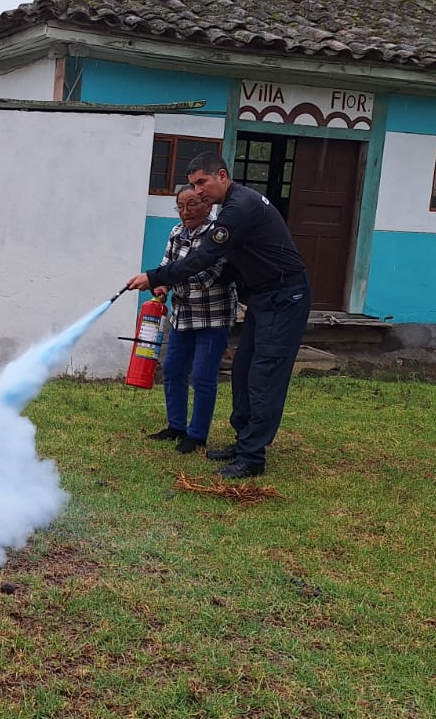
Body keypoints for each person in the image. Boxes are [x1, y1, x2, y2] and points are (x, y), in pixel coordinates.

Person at [127, 150, 309, 478]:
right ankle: (243, 443)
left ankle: (252, 457)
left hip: (286, 297)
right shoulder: (234, 207)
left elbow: (207, 256)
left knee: (264, 375)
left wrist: (154, 277)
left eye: (202, 183)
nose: (197, 191)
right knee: (242, 370)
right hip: (264, 298)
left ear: (222, 176)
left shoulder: (239, 208)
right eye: (193, 184)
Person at [146, 186, 235, 454]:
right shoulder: (176, 233)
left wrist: (161, 277)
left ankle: (197, 435)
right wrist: (160, 285)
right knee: (172, 369)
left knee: (202, 375)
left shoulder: (218, 234)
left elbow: (204, 278)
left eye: (192, 205)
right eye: (180, 207)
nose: (186, 213)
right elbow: (166, 266)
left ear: (207, 205)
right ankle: (176, 426)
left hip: (212, 316)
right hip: (182, 315)